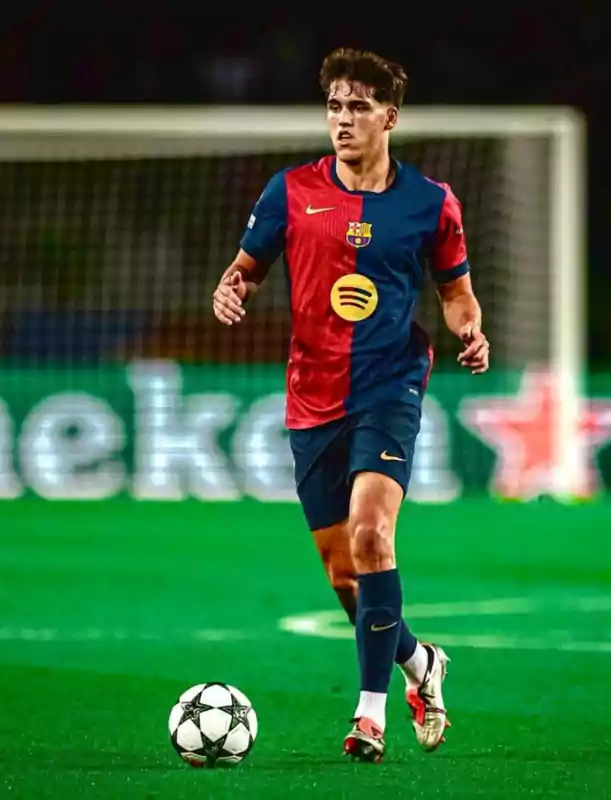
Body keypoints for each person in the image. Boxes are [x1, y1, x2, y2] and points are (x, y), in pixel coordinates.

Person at [211, 47, 489, 763]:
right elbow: (245, 270)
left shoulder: (431, 203)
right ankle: (420, 663)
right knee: (344, 576)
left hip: (390, 384)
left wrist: (470, 331)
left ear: (388, 117)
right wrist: (231, 289)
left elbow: (456, 291)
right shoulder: (291, 191)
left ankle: (370, 716)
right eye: (334, 105)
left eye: (358, 106)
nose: (343, 119)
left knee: (372, 538)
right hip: (312, 395)